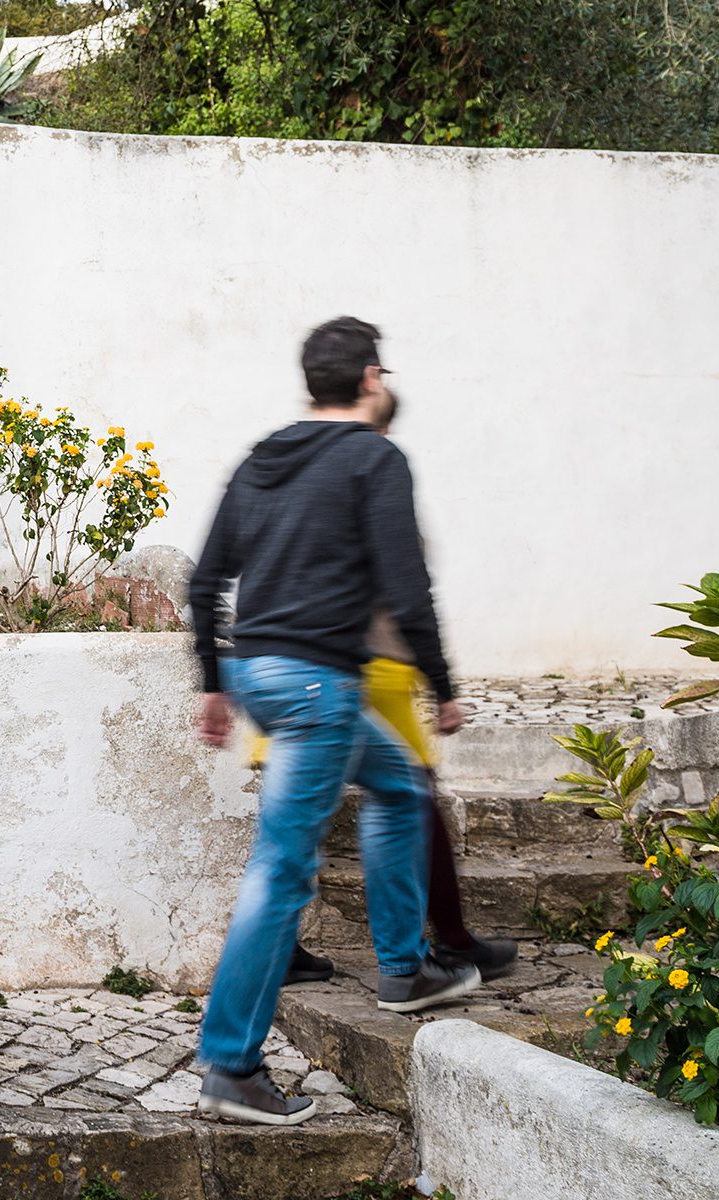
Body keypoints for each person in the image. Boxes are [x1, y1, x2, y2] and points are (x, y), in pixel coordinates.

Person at [186, 317, 483, 1127]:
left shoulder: (262, 457)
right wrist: (441, 684)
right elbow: (406, 581)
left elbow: (206, 577)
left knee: (396, 785)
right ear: (371, 379)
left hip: (263, 674)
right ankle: (231, 1066)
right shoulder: (374, 457)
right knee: (280, 870)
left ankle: (404, 970)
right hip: (317, 684)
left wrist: (216, 682)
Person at [258, 391, 518, 988]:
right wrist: (441, 682)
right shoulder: (377, 471)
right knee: (414, 797)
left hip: (303, 666)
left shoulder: (300, 474)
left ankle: (282, 946)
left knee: (297, 809)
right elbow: (408, 587)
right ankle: (443, 943)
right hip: (373, 663)